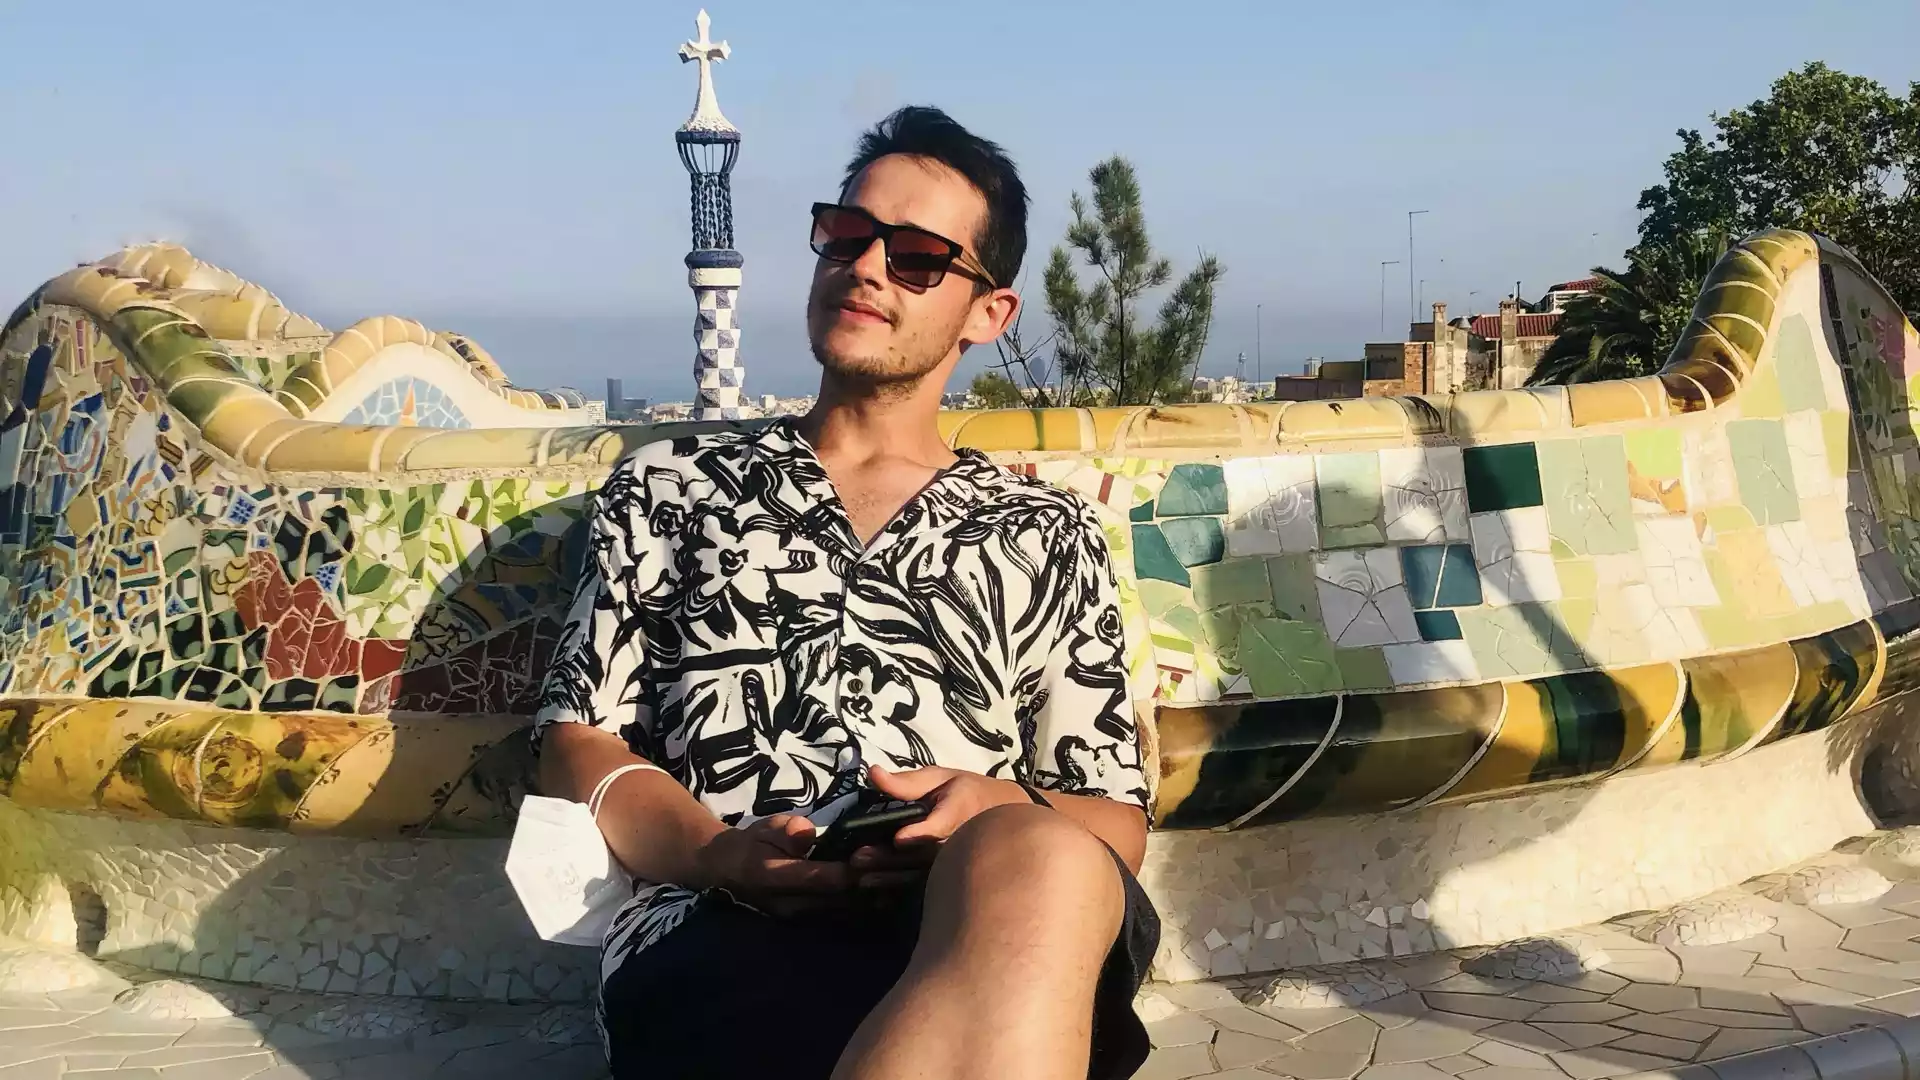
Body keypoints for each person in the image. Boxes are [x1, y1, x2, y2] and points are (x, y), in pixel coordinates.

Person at [532, 105, 1159, 1080]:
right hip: (725, 925)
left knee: (1041, 859)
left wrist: (992, 804)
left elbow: (1114, 814)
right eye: (847, 233)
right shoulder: (672, 490)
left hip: (997, 916)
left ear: (989, 313)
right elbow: (577, 743)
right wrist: (716, 855)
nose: (866, 266)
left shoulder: (1045, 530)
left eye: (917, 257)